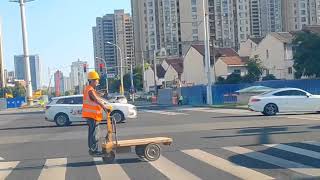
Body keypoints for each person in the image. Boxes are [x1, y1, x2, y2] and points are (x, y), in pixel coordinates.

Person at [82, 71, 111, 156]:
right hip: (92, 116)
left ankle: (92, 150)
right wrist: (104, 107)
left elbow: (96, 97)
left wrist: (101, 94)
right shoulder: (90, 90)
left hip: (91, 116)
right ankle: (94, 151)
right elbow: (97, 100)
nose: (98, 81)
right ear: (92, 80)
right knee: (95, 134)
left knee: (92, 133)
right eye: (96, 80)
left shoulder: (90, 89)